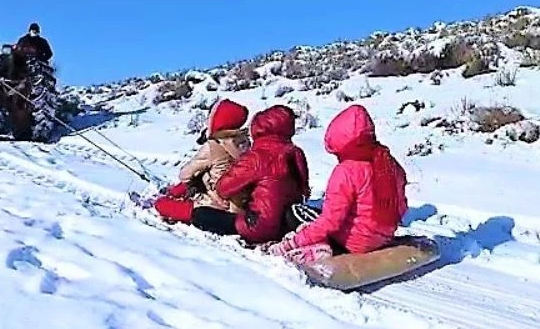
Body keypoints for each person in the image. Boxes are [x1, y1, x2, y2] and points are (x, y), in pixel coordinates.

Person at [265, 104, 409, 265]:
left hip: (352, 242)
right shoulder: (389, 163)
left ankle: (320, 247)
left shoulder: (347, 171)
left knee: (295, 214)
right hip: (383, 238)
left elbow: (330, 221)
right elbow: (401, 207)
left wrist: (294, 242)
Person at [212, 105, 311, 245]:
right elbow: (304, 189)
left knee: (202, 215)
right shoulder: (295, 153)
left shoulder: (257, 157)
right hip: (286, 223)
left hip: (258, 226)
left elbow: (223, 188)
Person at [153, 99, 251, 227]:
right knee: (203, 174)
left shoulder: (212, 146)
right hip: (239, 201)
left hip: (216, 203)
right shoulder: (245, 142)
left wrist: (192, 183)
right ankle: (175, 193)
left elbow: (185, 175)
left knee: (161, 204)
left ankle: (174, 198)